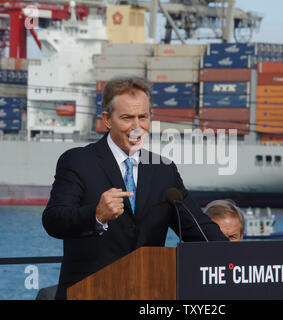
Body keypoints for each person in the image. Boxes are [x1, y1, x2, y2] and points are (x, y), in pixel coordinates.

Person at [42, 77, 228, 300]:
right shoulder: (78, 161)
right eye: (127, 118)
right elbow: (53, 220)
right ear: (107, 120)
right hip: (88, 294)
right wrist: (96, 215)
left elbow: (198, 228)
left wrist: (240, 258)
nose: (137, 127)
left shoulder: (164, 170)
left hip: (147, 297)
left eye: (143, 117)